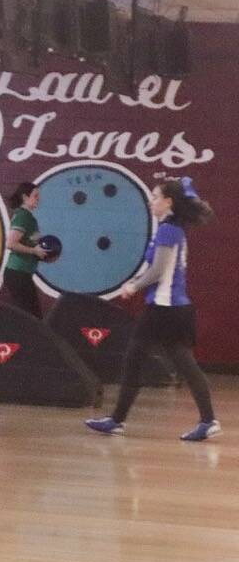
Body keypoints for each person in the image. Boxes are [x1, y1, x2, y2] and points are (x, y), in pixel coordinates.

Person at [86, 178, 220, 442]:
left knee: (136, 361)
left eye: (155, 197)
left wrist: (134, 286)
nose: (151, 201)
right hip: (171, 309)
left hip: (164, 309)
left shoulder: (169, 230)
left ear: (168, 202)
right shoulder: (171, 228)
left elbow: (158, 270)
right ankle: (207, 420)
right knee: (181, 364)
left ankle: (117, 421)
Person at [1, 182, 49, 318]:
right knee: (31, 317)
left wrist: (42, 254)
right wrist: (34, 251)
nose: (38, 199)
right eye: (35, 196)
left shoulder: (28, 217)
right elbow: (11, 243)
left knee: (30, 316)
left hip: (22, 274)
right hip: (17, 274)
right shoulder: (23, 216)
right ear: (24, 197)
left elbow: (30, 244)